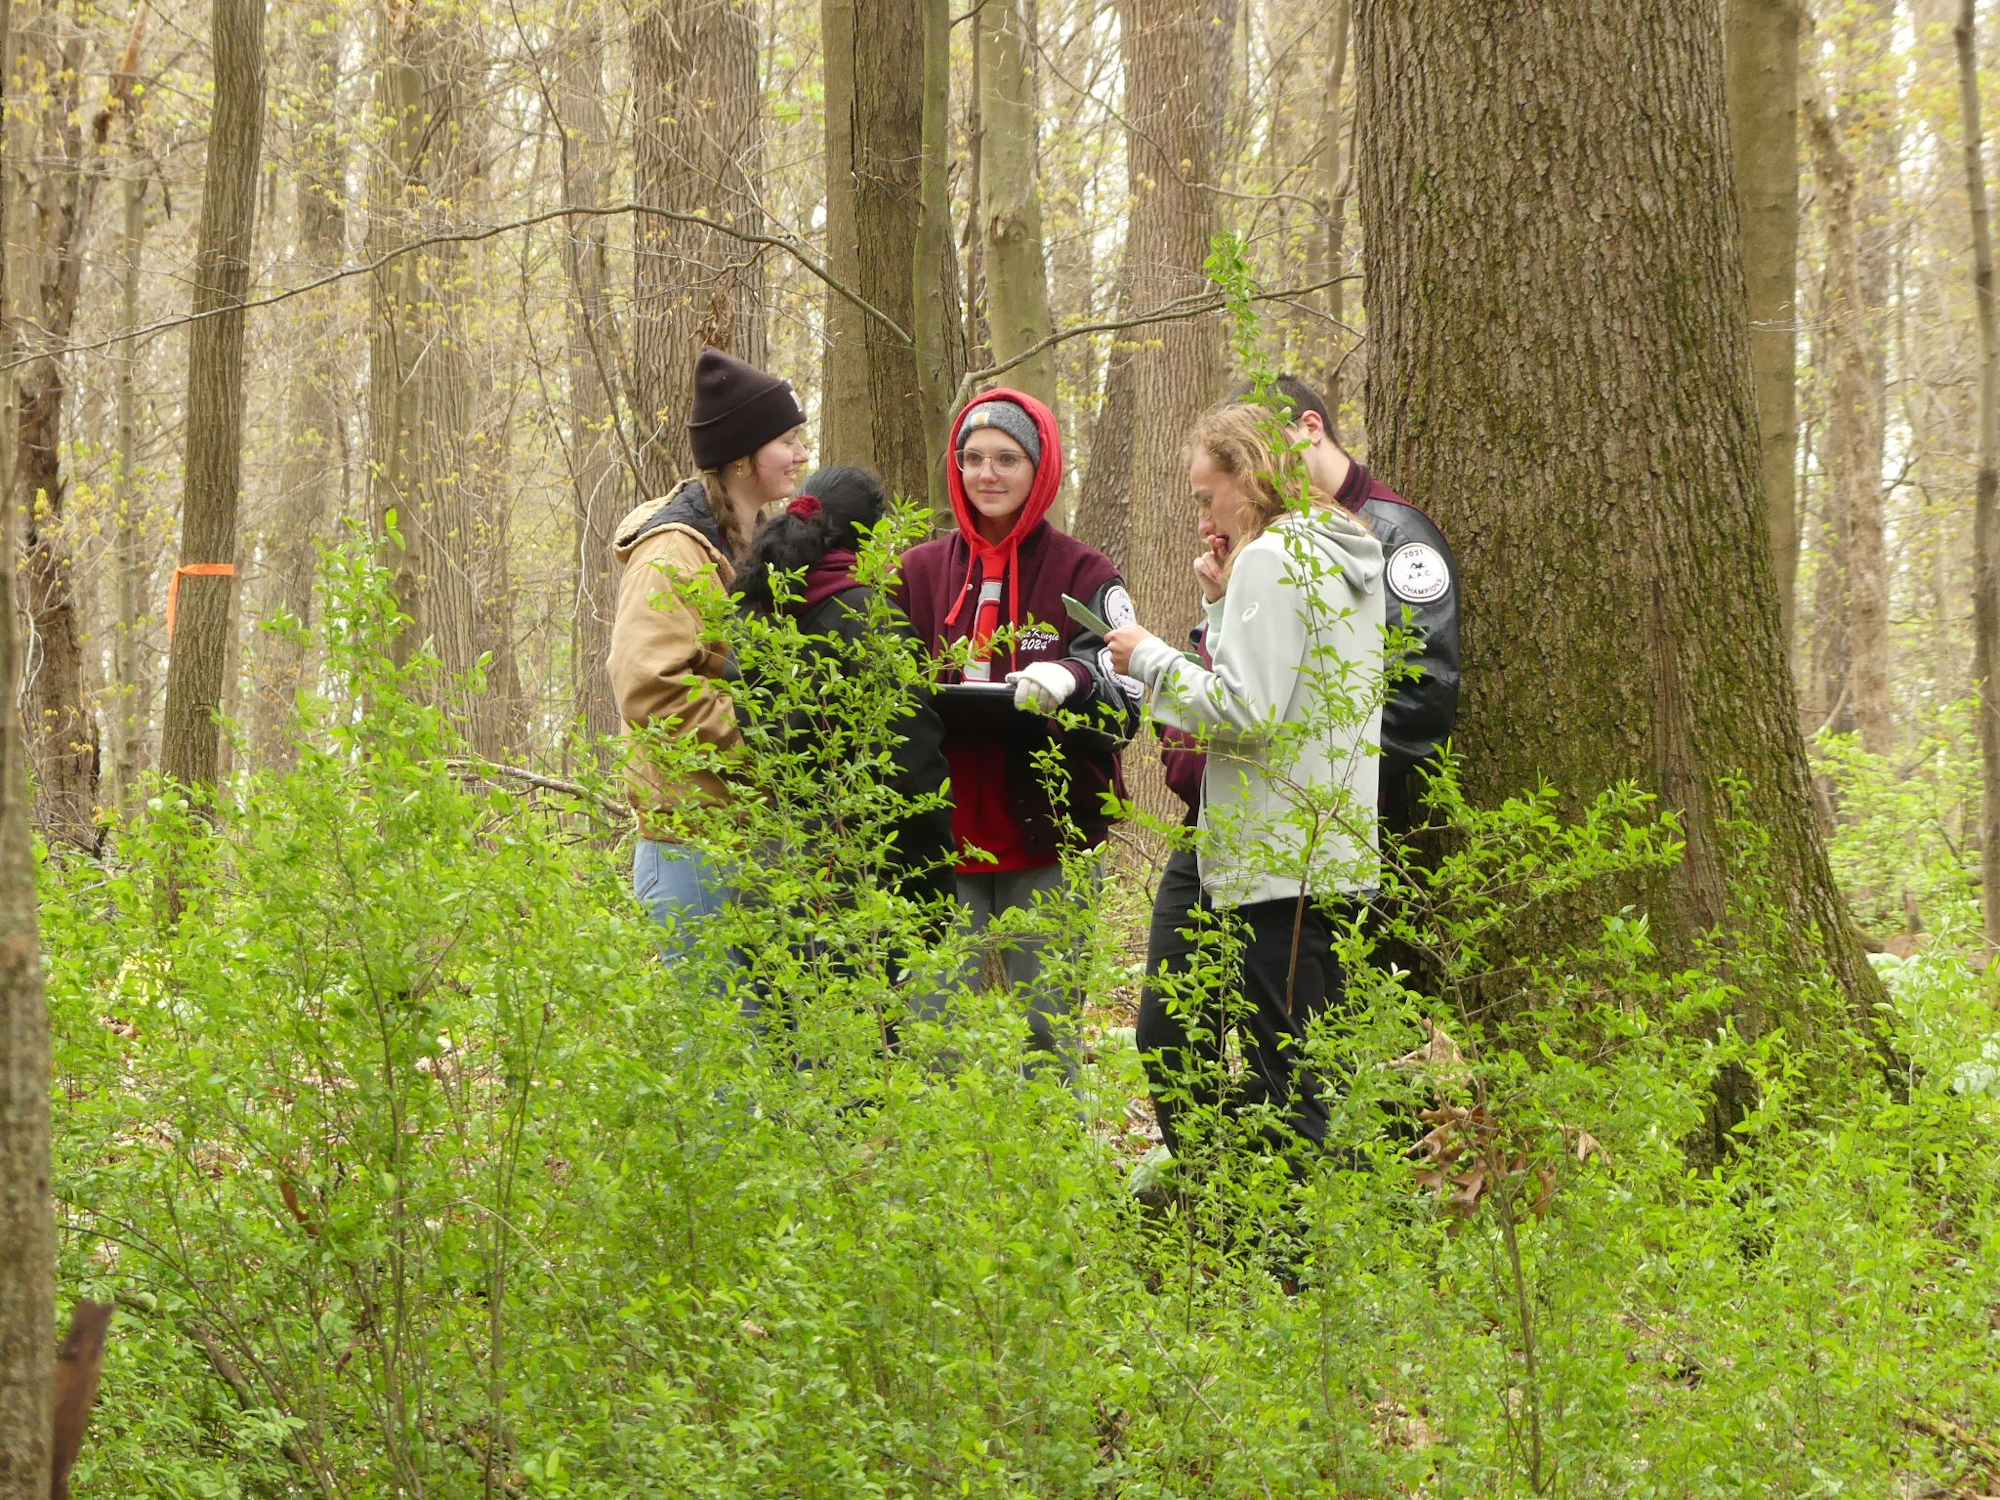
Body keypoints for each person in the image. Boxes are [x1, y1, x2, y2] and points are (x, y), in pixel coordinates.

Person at [1107, 401, 1385, 1161]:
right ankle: (1294, 1237)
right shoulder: (1339, 548)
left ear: (1249, 477)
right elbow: (1290, 690)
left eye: (1207, 497)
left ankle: (1290, 1259)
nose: (1205, 515)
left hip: (1276, 857)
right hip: (1325, 848)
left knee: (1287, 1074)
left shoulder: (1274, 556)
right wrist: (1224, 603)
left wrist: (1152, 658)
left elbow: (1245, 707)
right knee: (1304, 1062)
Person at [895, 388, 1140, 1070]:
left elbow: (1125, 703)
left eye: (1007, 458)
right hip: (941, 846)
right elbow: (880, 697)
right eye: (972, 459)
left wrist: (1072, 678)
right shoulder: (914, 574)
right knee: (931, 1039)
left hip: (1047, 843)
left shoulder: (1083, 573)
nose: (987, 475)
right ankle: (937, 1178)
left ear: (1041, 469)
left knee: (1047, 1036)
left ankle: (1055, 1166)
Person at [608, 346, 810, 952]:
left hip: (749, 836)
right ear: (744, 457)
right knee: (715, 1044)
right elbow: (649, 685)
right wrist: (764, 737)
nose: (801, 455)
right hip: (693, 848)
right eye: (788, 441)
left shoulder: (754, 543)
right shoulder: (673, 553)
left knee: (769, 1040)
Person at [1227, 375, 1459, 835]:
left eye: (1264, 448)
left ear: (1311, 427)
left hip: (1338, 825)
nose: (1258, 469)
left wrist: (1314, 780)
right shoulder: (1268, 541)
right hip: (1256, 821)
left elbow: (1421, 693)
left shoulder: (1398, 537)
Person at [733, 465, 956, 914]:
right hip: (852, 886)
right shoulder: (870, 621)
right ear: (869, 541)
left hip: (761, 875)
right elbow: (911, 767)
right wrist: (931, 890)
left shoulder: (754, 607)